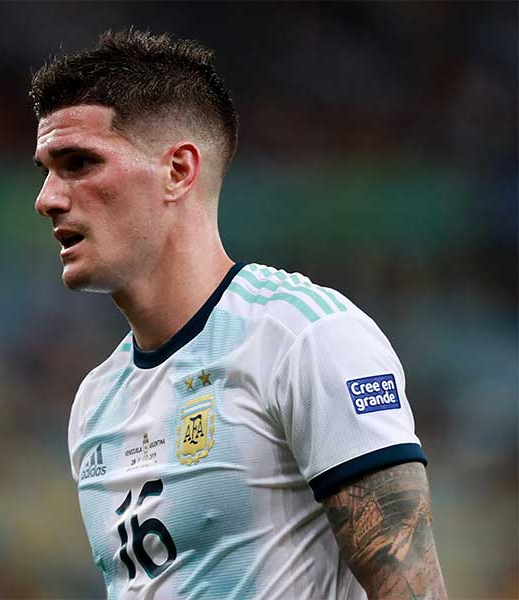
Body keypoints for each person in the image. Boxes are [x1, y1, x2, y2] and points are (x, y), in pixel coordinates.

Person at [30, 29, 447, 599]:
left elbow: (414, 587)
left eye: (79, 163)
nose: (48, 198)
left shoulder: (304, 337)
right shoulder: (96, 401)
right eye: (46, 170)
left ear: (178, 170)